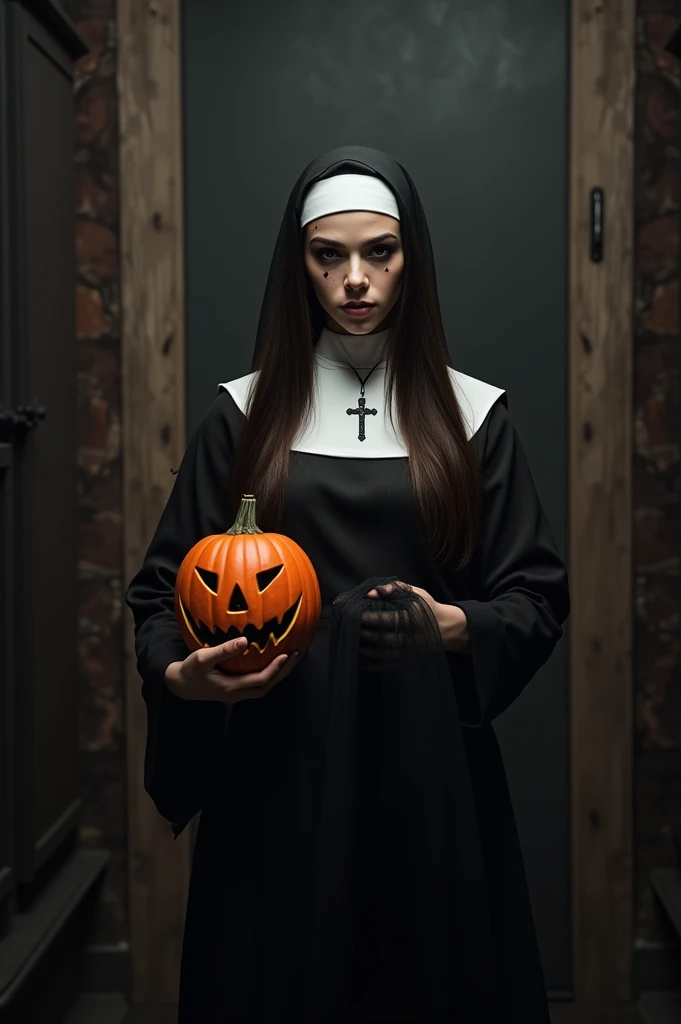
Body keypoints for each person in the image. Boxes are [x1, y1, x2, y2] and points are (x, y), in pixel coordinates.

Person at [125, 145, 570, 1023]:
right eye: (330, 256)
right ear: (300, 265)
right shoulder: (245, 415)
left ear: (415, 261)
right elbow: (160, 594)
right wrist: (183, 676)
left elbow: (537, 596)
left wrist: (448, 627)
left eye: (381, 253)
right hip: (275, 771)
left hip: (432, 776)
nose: (355, 280)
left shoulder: (473, 416)